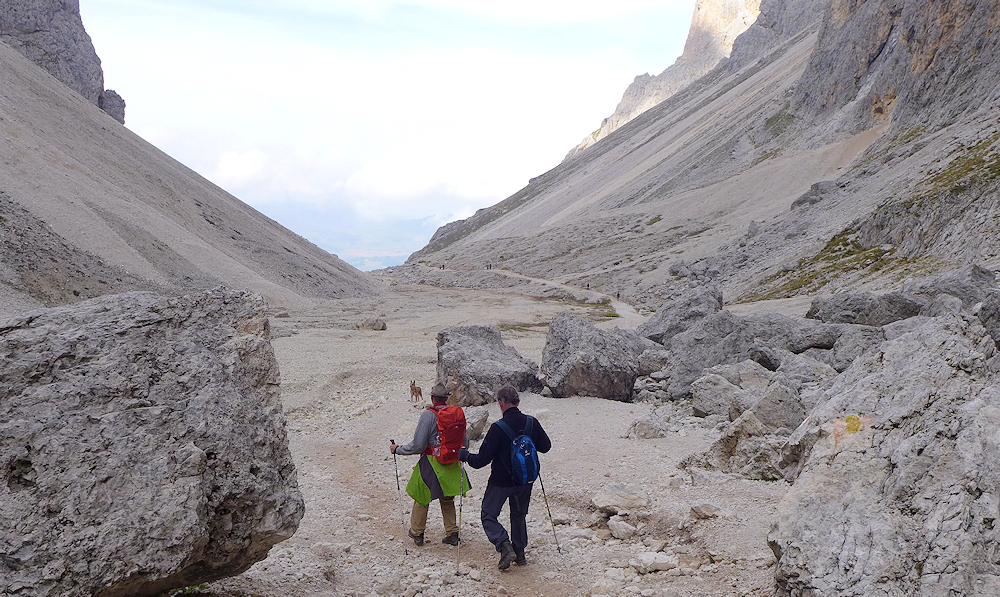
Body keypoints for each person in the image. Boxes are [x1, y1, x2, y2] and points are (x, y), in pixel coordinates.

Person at [459, 386, 551, 570]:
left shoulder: (498, 428)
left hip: (500, 481)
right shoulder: (531, 422)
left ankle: (504, 544)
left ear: (501, 403)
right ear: (517, 401)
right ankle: (520, 553)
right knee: (519, 515)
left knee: (488, 514)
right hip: (525, 479)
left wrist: (466, 456)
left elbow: (481, 461)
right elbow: (546, 447)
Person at [391, 382, 470, 546]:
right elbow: (466, 442)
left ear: (432, 398)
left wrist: (398, 449)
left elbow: (419, 445)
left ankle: (417, 532)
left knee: (421, 496)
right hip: (452, 462)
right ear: (446, 398)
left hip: (432, 462)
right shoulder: (455, 415)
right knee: (447, 499)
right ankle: (452, 533)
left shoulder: (428, 415)